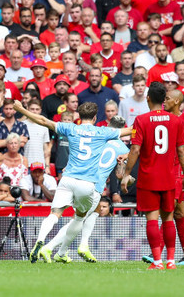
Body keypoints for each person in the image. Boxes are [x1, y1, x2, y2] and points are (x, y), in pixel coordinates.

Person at [14, 100, 131, 263]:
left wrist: (22, 110)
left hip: (67, 178)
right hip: (88, 183)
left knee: (54, 214)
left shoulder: (70, 127)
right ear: (96, 118)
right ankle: (67, 250)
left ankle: (41, 241)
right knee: (80, 217)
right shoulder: (103, 133)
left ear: (79, 117)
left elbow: (42, 120)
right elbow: (132, 130)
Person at [121, 82, 184, 270]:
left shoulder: (141, 120)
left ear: (148, 98)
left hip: (148, 177)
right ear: (163, 100)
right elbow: (182, 151)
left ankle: (157, 262)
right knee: (168, 219)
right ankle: (171, 261)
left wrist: (127, 173)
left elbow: (135, 149)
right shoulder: (176, 121)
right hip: (169, 177)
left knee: (152, 219)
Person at [142, 89, 184, 266]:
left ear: (177, 101)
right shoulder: (164, 118)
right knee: (176, 212)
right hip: (165, 172)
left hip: (177, 175)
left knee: (170, 210)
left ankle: (161, 253)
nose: (164, 101)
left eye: (168, 99)